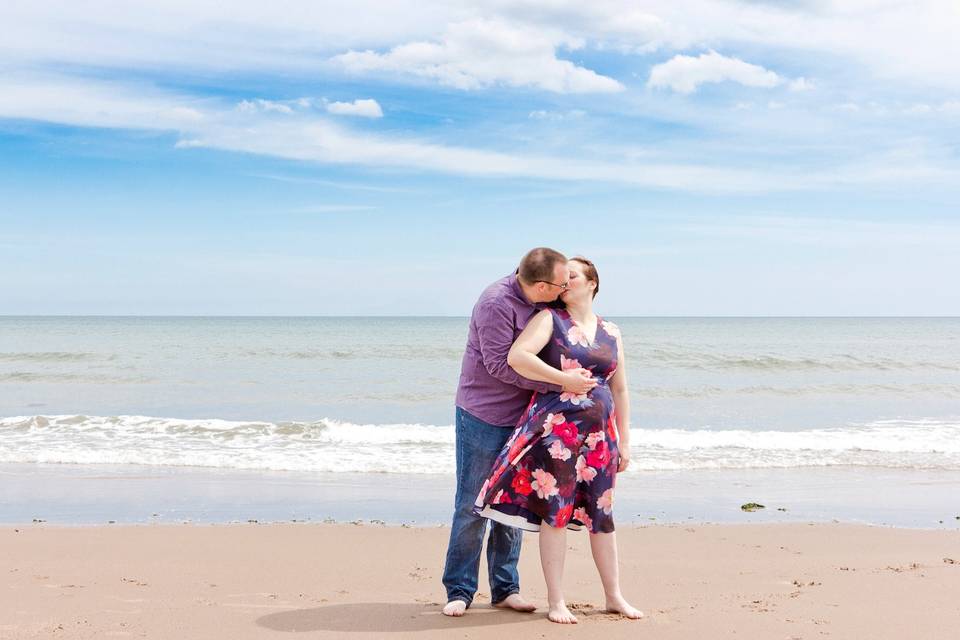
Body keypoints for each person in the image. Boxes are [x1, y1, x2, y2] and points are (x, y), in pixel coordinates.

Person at [473, 256, 643, 624]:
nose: (565, 283)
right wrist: (563, 379)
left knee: (602, 515)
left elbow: (621, 388)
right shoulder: (549, 319)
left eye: (573, 276)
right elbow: (518, 357)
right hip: (558, 435)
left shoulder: (612, 332)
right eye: (561, 278)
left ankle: (614, 596)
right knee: (557, 515)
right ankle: (557, 601)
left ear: (592, 283)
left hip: (600, 437)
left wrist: (624, 441)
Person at [441, 248, 598, 617]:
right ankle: (460, 589)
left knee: (513, 505)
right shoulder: (496, 303)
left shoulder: (547, 307)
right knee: (473, 502)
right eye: (560, 283)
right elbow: (498, 366)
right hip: (483, 414)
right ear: (541, 285)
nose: (565, 288)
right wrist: (558, 385)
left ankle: (505, 587)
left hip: (526, 416)